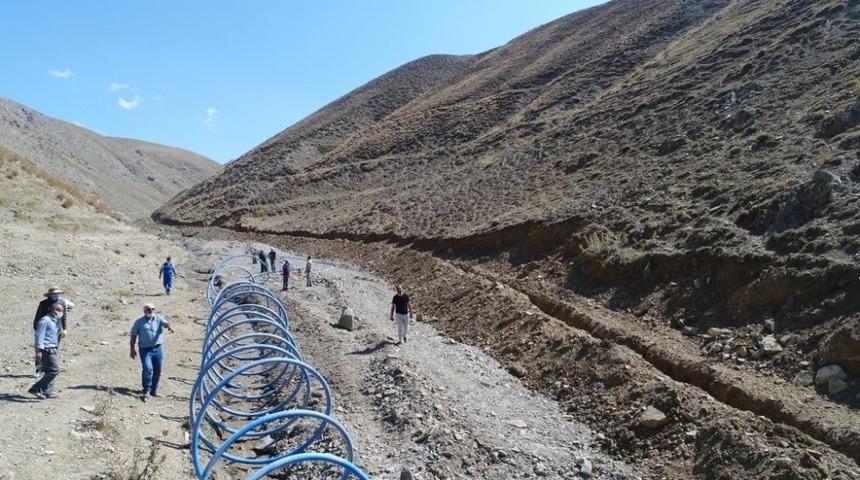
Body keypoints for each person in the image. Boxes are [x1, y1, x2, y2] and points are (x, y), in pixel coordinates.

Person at [129, 303, 175, 401]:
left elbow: (165, 323)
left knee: (158, 370)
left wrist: (169, 326)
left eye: (153, 309)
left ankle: (154, 390)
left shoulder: (158, 319)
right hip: (145, 350)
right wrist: (132, 349)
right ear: (144, 311)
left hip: (157, 348)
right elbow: (133, 336)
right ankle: (146, 390)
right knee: (147, 368)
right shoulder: (139, 322)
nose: (151, 311)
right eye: (149, 309)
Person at [28, 303, 65, 399]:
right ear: (53, 311)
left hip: (54, 348)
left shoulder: (56, 320)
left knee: (49, 370)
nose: (61, 313)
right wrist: (38, 351)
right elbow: (39, 336)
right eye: (60, 311)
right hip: (47, 349)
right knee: (54, 370)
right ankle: (35, 388)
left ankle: (47, 391)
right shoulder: (45, 321)